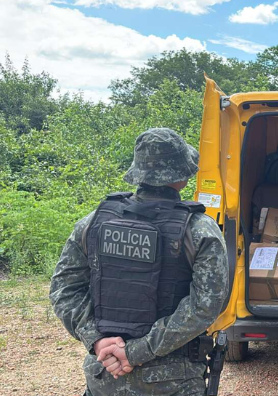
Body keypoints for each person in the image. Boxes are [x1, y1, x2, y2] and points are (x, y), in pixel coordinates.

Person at [49, 128, 229, 396]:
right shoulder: (199, 230)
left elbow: (63, 289)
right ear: (182, 176)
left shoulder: (92, 223)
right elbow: (207, 305)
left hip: (105, 374)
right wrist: (136, 352)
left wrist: (97, 341)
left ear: (138, 173)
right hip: (172, 381)